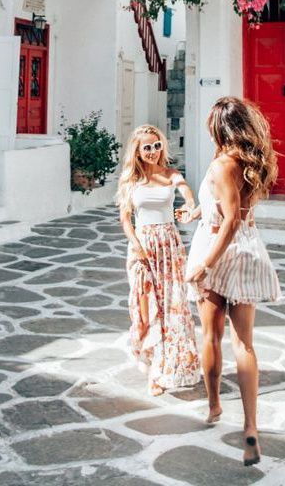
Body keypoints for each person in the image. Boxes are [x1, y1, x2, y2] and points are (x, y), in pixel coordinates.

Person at [180, 96, 281, 466]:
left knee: (211, 336)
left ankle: (214, 405)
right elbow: (233, 207)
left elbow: (229, 221)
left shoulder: (223, 164)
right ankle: (251, 426)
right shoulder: (252, 162)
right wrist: (195, 210)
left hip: (219, 249)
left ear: (219, 128)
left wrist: (205, 264)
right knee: (245, 344)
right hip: (249, 250)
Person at [117, 124, 201, 396]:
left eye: (156, 145)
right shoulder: (131, 181)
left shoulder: (171, 175)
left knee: (171, 307)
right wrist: (136, 245)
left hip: (168, 247)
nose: (153, 151)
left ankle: (161, 372)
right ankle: (150, 362)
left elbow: (186, 191)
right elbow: (125, 220)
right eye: (147, 147)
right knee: (146, 308)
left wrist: (189, 206)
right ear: (138, 152)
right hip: (142, 248)